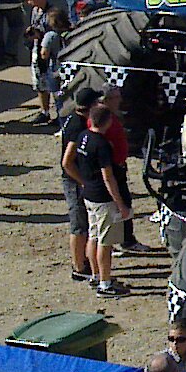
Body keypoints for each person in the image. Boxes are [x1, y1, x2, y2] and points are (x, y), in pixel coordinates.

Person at [62, 96, 125, 289]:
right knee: (105, 242)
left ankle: (95, 276)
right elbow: (108, 177)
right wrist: (120, 203)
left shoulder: (83, 136)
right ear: (108, 121)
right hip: (102, 197)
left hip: (89, 194)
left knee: (94, 236)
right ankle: (105, 283)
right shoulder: (101, 144)